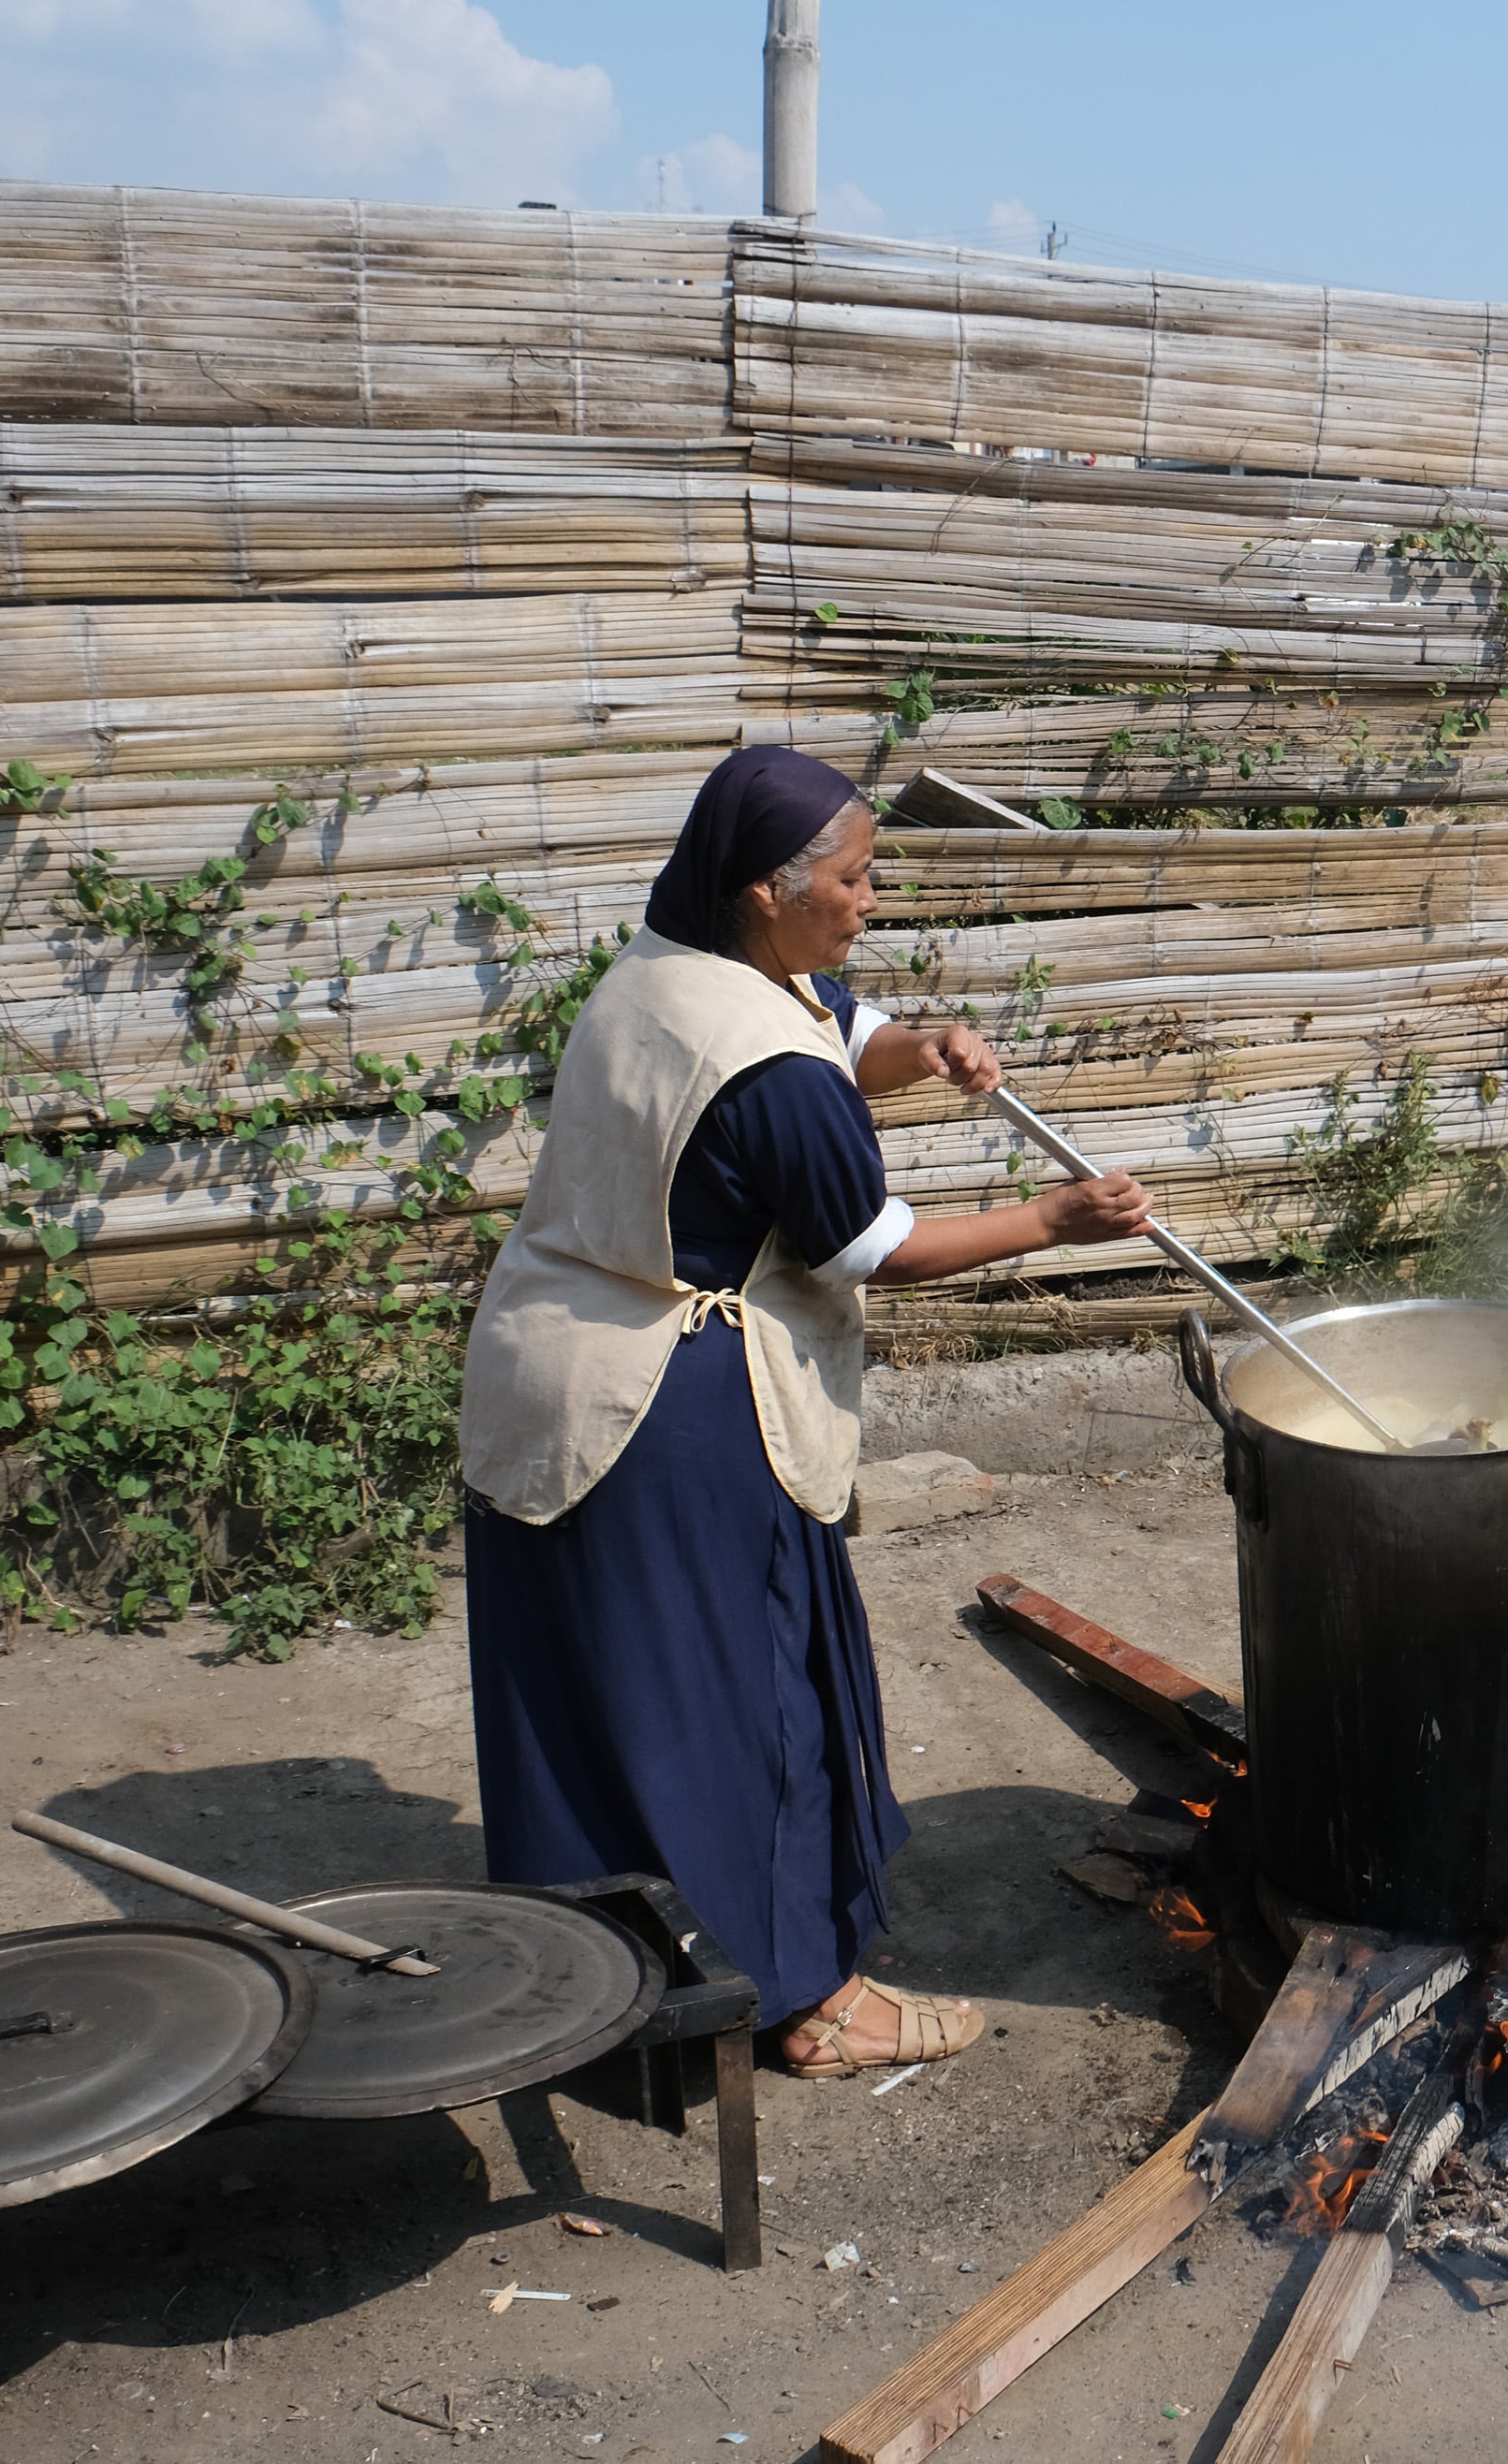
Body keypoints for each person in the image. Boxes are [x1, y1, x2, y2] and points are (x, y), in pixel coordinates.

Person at [456, 746, 1149, 2076]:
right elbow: (872, 1249)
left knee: (611, 1693)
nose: (873, 898)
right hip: (677, 1413)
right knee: (754, 1700)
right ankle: (811, 2003)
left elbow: (842, 1029)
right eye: (854, 877)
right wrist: (1056, 1216)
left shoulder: (670, 969)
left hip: (556, 1359)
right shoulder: (767, 1070)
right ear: (769, 892)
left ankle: (601, 1985)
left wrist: (920, 1049)